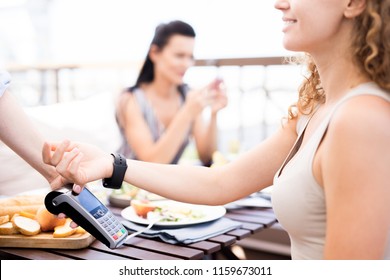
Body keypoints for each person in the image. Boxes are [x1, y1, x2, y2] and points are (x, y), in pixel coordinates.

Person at [43, 0, 390, 260]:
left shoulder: (360, 120)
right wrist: (110, 163)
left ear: (354, 3)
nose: (279, 3)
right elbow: (220, 182)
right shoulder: (317, 109)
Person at [115, 20, 227, 165]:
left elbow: (206, 157)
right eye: (179, 56)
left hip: (165, 186)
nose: (187, 64)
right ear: (154, 53)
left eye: (190, 57)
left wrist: (214, 114)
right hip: (126, 184)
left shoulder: (188, 96)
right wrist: (187, 113)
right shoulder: (131, 99)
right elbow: (152, 163)